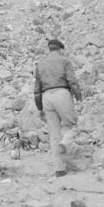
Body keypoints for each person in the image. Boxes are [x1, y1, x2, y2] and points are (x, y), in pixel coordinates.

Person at [33, 39, 82, 177]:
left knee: (54, 135)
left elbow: (36, 89)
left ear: (49, 49)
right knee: (72, 127)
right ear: (60, 49)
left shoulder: (40, 65)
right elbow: (72, 81)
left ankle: (59, 170)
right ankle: (65, 143)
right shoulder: (64, 61)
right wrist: (79, 97)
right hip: (62, 93)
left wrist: (39, 108)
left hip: (46, 97)